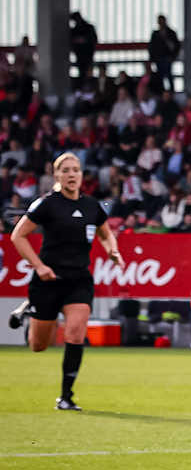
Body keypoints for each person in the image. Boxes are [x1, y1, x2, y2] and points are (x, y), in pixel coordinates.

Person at [6, 154, 124, 410]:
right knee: (38, 346)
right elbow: (18, 236)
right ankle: (30, 309)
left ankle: (66, 397)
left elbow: (106, 235)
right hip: (48, 280)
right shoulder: (47, 204)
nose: (72, 175)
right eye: (66, 171)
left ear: (82, 175)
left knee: (75, 332)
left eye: (76, 170)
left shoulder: (93, 206)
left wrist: (112, 250)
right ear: (57, 175)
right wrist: (39, 266)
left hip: (78, 279)